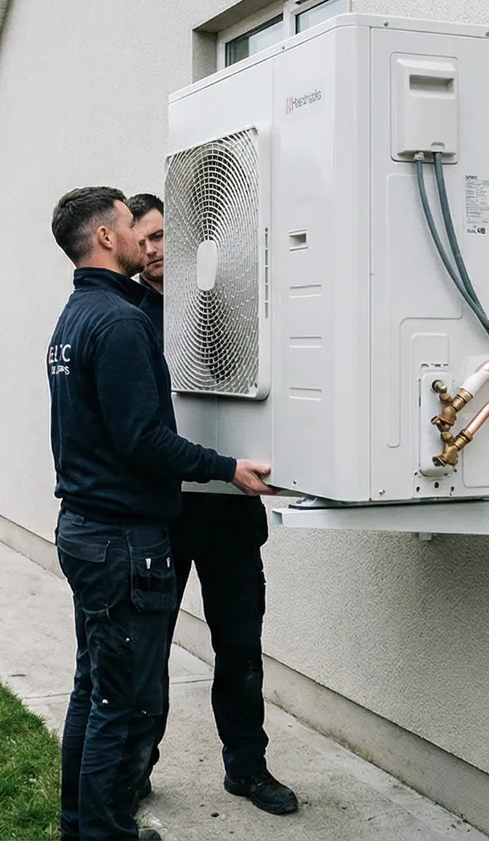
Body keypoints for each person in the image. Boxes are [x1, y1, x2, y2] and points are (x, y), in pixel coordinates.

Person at [47, 186, 274, 841]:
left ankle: (83, 824)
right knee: (122, 703)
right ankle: (104, 831)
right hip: (122, 534)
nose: (149, 245)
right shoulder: (120, 321)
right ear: (109, 238)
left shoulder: (76, 314)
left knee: (97, 690)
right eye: (134, 230)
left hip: (90, 526)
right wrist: (227, 466)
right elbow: (141, 438)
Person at [127, 193, 299, 817]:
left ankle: (246, 768)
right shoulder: (130, 319)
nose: (152, 252)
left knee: (241, 649)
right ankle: (137, 766)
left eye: (161, 239)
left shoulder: (225, 308)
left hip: (229, 506)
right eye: (142, 241)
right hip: (163, 515)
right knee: (148, 652)